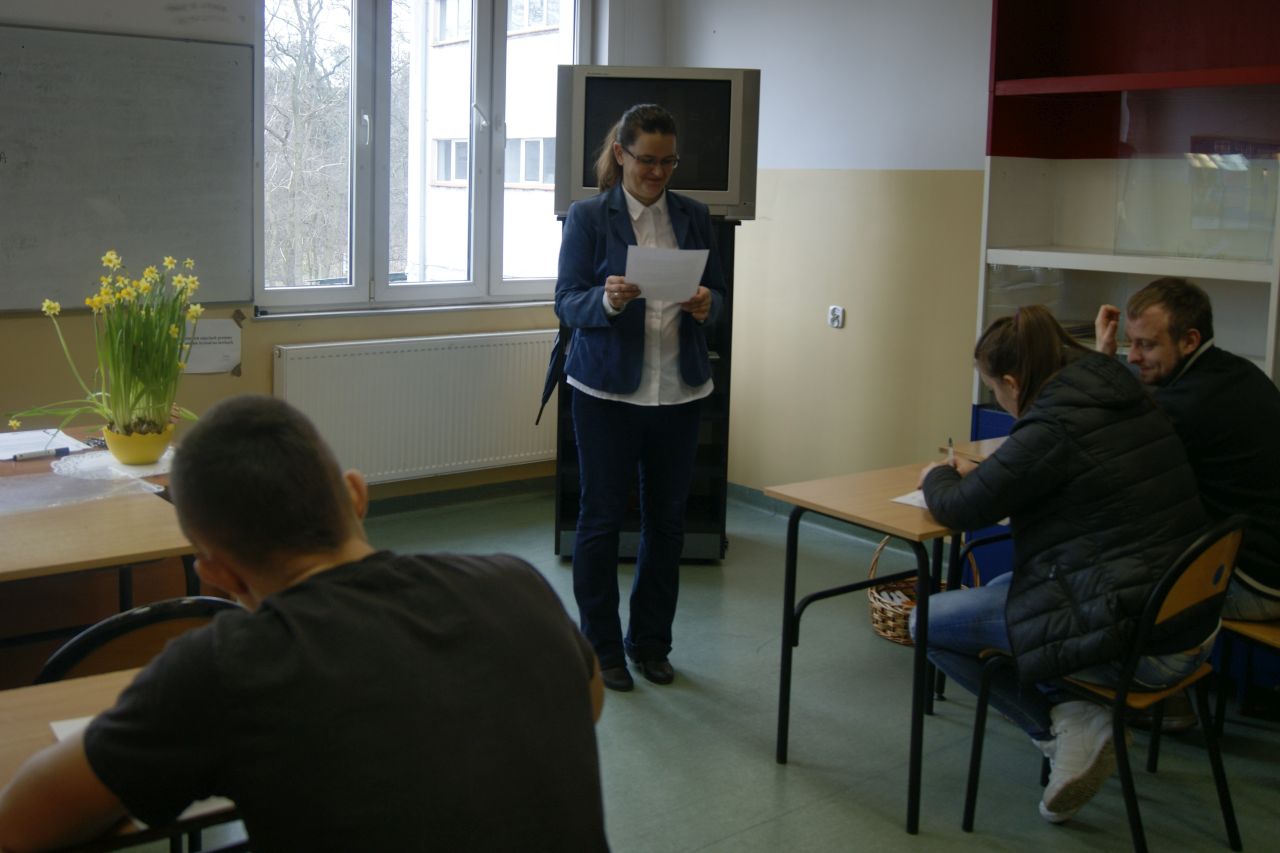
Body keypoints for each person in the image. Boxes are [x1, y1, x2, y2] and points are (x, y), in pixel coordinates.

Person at [0, 395, 608, 853]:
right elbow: (588, 703)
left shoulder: (226, 669)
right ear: (357, 495)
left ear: (216, 574)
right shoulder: (517, 583)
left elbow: (19, 826)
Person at [912, 305, 1215, 825]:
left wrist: (936, 476)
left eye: (997, 390)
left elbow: (962, 509)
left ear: (1013, 383)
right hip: (1190, 622)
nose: (1001, 401)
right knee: (1007, 585)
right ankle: (1076, 711)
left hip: (1139, 645)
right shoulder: (1114, 386)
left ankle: (1061, 725)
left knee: (927, 623)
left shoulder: (1052, 425)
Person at [554, 103, 726, 692]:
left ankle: (651, 643)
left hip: (679, 390)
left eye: (668, 162)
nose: (657, 172)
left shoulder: (694, 215)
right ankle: (602, 649)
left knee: (667, 524)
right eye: (646, 160)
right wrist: (605, 300)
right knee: (601, 521)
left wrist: (708, 305)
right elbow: (566, 301)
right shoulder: (588, 217)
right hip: (605, 391)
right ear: (620, 153)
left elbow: (720, 295)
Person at [1097, 277, 1280, 622]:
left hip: (1255, 584)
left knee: (1091, 584)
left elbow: (1103, 456)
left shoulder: (1185, 406)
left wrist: (1100, 364)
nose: (1132, 356)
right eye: (1129, 342)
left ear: (1189, 341)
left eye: (1147, 345)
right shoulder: (1237, 371)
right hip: (1267, 563)